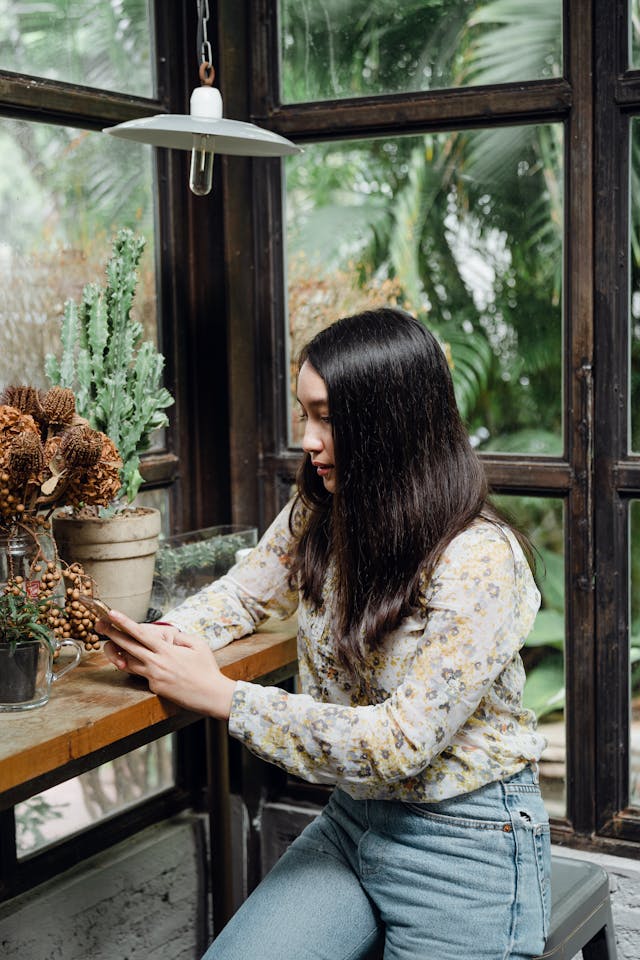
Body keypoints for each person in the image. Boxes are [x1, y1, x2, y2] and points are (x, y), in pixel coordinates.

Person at [99, 308, 551, 960]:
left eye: (328, 418)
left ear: (391, 422)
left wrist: (225, 697)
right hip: (353, 819)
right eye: (304, 414)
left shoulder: (480, 560)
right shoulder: (324, 504)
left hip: (465, 836)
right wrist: (164, 637)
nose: (307, 440)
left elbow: (400, 744)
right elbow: (246, 593)